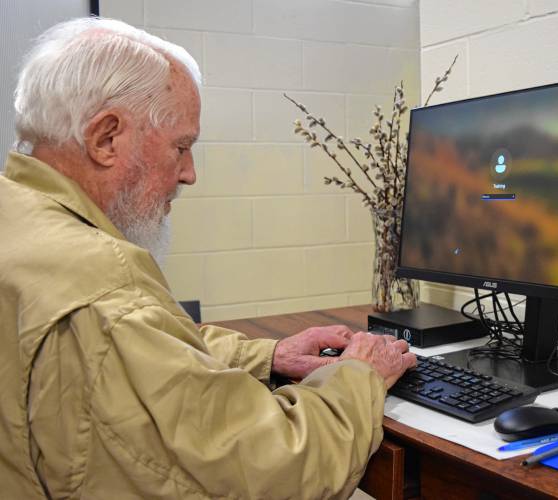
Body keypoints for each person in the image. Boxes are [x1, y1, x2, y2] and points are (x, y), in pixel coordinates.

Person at [0, 17, 416, 499]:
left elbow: (135, 357)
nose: (190, 173)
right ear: (106, 138)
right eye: (182, 147)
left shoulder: (21, 220)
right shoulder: (106, 299)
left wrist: (268, 356)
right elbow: (275, 469)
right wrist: (359, 375)